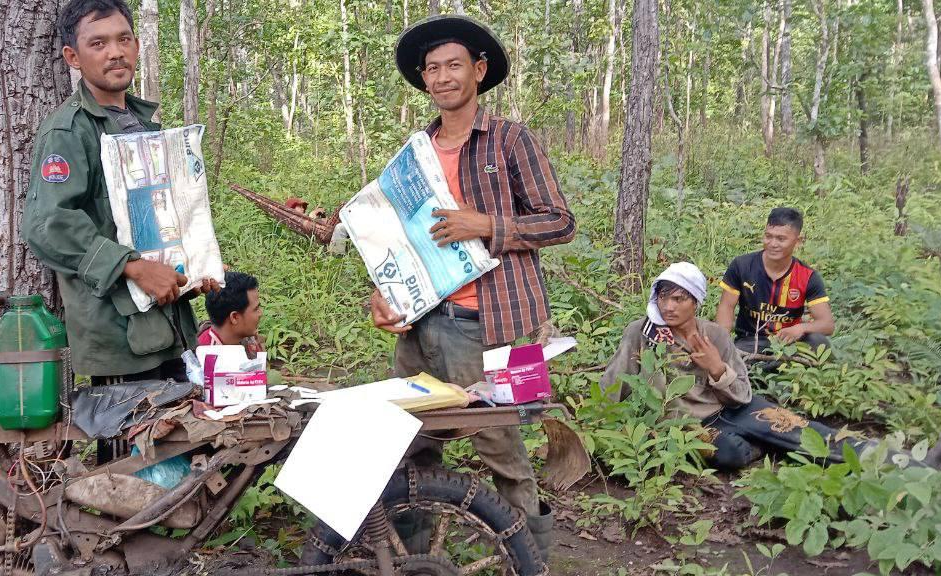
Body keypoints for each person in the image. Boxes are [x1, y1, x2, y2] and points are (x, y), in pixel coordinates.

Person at [370, 15, 577, 555]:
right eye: (432, 68)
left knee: (499, 444)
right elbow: (398, 238)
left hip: (490, 324)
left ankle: (530, 557)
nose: (442, 77)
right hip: (422, 324)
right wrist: (385, 292)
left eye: (453, 65)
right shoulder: (414, 150)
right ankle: (416, 555)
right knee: (410, 438)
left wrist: (486, 225)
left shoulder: (509, 139)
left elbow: (560, 220)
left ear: (479, 71)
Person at [21, 0, 215, 386]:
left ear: (137, 45)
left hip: (168, 326)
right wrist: (134, 267)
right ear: (73, 57)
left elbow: (155, 216)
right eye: (98, 44)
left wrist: (194, 271)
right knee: (132, 444)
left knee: (181, 438)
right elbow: (48, 225)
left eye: (123, 39)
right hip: (118, 337)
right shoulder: (69, 131)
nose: (115, 52)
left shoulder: (142, 124)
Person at [602, 263, 895, 470]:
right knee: (730, 453)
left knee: (803, 431)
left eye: (679, 299)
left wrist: (717, 369)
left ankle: (899, 460)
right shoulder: (641, 332)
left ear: (696, 302)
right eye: (663, 297)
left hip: (734, 408)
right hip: (687, 423)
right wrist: (600, 422)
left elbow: (742, 393)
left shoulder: (714, 335)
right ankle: (767, 445)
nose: (669, 306)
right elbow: (615, 380)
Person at [716, 207, 835, 355]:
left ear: (798, 241)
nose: (772, 244)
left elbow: (827, 324)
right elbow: (726, 307)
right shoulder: (742, 266)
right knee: (739, 360)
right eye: (768, 236)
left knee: (819, 343)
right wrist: (722, 343)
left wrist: (800, 328)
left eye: (781, 239)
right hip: (751, 341)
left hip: (789, 344)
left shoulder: (808, 276)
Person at [198, 271, 265, 355]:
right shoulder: (208, 359)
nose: (260, 313)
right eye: (256, 309)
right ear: (234, 317)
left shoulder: (247, 338)